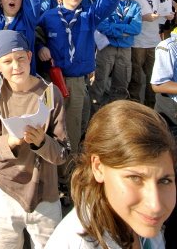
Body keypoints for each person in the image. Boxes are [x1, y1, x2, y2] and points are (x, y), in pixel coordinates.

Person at [46, 101, 176, 249]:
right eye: (135, 178)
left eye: (164, 181)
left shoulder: (136, 222)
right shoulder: (78, 243)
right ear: (98, 168)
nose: (155, 206)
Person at [0, 30, 69, 248]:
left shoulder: (50, 94)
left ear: (30, 57)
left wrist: (42, 143)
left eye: (21, 58)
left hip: (45, 195)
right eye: (7, 61)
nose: (16, 66)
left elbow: (62, 153)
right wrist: (10, 142)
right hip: (6, 193)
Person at [37, 0, 127, 154]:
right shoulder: (48, 17)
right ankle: (65, 173)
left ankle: (71, 163)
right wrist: (40, 45)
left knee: (80, 124)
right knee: (65, 128)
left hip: (81, 81)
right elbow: (35, 36)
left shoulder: (89, 15)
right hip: (57, 81)